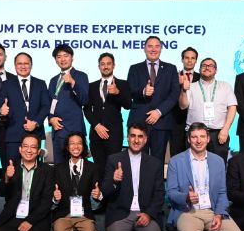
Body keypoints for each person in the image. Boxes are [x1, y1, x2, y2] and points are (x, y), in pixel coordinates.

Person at [127, 35, 181, 165]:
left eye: (157, 46)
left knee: (158, 162)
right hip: (139, 122)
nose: (153, 49)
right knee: (137, 162)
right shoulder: (134, 68)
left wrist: (159, 111)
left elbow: (174, 94)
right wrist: (143, 92)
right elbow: (130, 91)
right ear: (144, 48)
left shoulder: (171, 69)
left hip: (162, 122)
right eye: (150, 46)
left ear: (161, 49)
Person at [83, 52, 131, 186]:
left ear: (114, 65)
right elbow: (86, 109)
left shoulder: (123, 84)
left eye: (109, 64)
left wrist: (117, 93)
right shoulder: (91, 86)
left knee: (114, 167)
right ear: (99, 66)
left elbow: (128, 105)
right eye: (103, 64)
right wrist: (96, 125)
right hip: (96, 134)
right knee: (98, 168)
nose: (106, 66)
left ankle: (113, 197)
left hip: (114, 134)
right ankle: (100, 197)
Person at [180, 58, 238, 160]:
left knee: (218, 165)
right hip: (195, 134)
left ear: (216, 70)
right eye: (204, 65)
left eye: (210, 66)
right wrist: (184, 90)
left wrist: (225, 129)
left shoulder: (225, 86)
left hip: (219, 134)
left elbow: (232, 107)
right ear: (199, 69)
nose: (207, 68)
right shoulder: (191, 87)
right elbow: (183, 106)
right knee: (194, 165)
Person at [0, 52, 48, 164]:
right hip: (13, 135)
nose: (23, 66)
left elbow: (46, 106)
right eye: (19, 64)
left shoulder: (41, 83)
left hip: (35, 134)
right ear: (15, 66)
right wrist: (1, 111)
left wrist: (35, 123)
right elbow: (0, 105)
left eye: (26, 63)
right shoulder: (6, 84)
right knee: (12, 169)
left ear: (31, 65)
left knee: (35, 169)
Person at [46, 44, 89, 164]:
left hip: (74, 130)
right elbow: (49, 103)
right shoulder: (53, 80)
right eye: (59, 57)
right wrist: (51, 119)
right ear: (56, 60)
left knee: (77, 167)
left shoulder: (81, 76)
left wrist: (73, 83)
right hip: (57, 130)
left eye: (66, 56)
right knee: (59, 168)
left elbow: (85, 100)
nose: (62, 59)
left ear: (72, 57)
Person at [170, 47, 199, 157]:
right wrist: (177, 84)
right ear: (182, 59)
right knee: (176, 153)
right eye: (186, 58)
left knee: (194, 154)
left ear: (196, 60)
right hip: (176, 121)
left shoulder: (201, 77)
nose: (189, 60)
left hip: (196, 120)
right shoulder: (173, 76)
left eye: (192, 58)